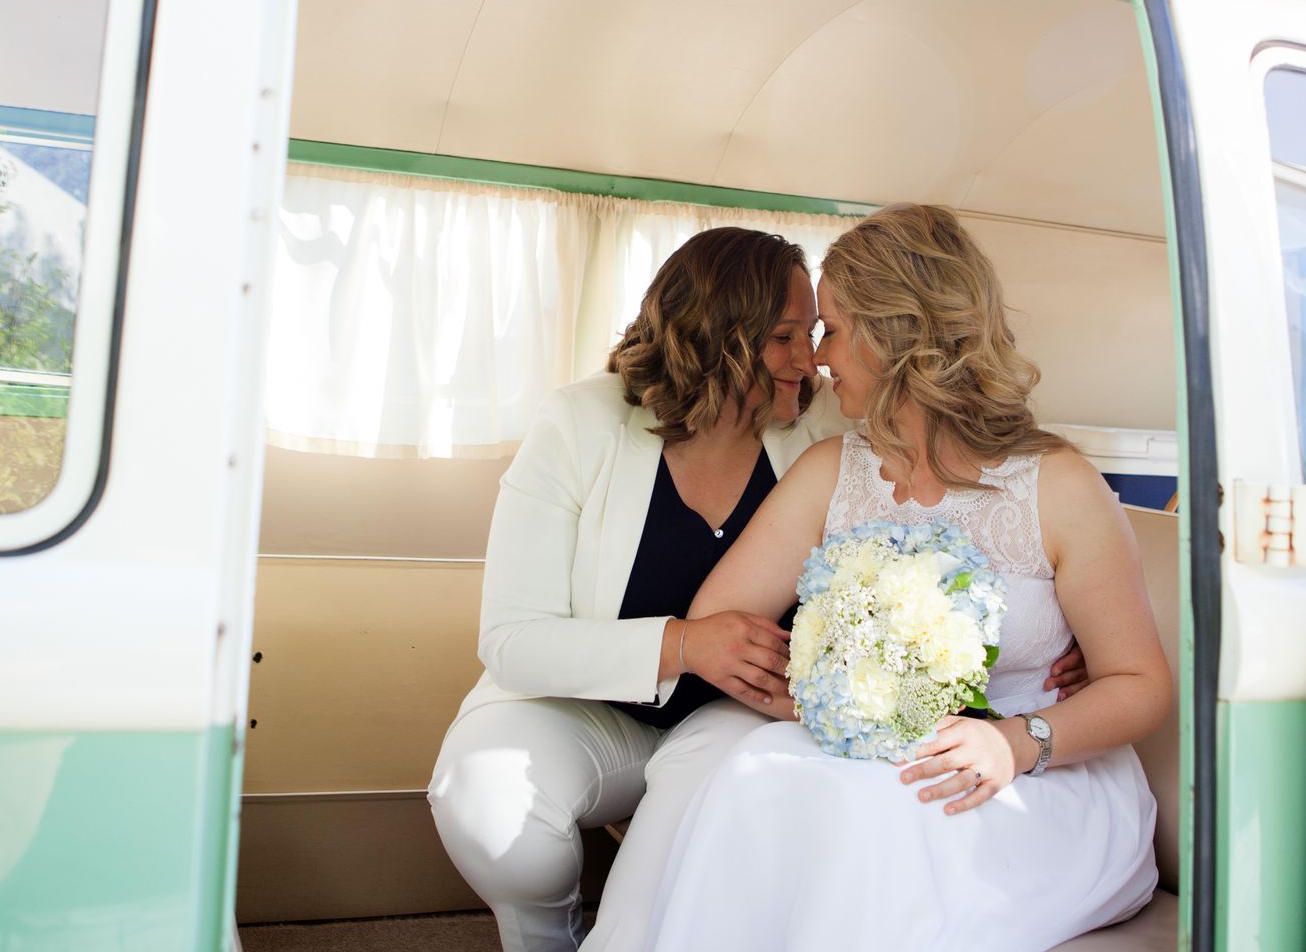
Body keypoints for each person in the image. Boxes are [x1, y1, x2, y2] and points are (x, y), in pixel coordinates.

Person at [429, 225, 1085, 952]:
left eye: (819, 333)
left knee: (706, 813)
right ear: (717, 334)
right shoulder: (581, 424)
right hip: (590, 713)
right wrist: (683, 643)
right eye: (785, 337)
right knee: (490, 812)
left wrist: (1047, 636)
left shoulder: (830, 419)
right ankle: (549, 939)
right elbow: (512, 641)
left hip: (757, 708)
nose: (811, 362)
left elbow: (965, 470)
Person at [643, 205, 1171, 952]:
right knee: (754, 773)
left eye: (831, 328)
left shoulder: (1058, 487)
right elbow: (721, 624)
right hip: (867, 757)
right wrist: (833, 708)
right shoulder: (831, 473)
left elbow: (1140, 683)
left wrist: (1019, 741)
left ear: (897, 339)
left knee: (871, 819)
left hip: (1031, 775)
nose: (819, 356)